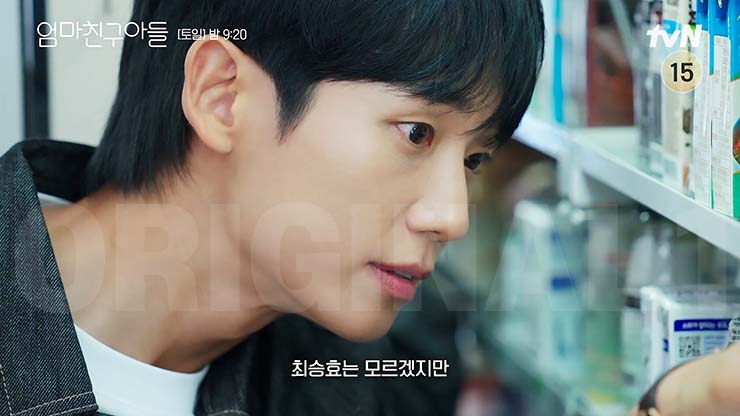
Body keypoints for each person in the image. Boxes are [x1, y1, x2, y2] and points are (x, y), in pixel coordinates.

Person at [0, 1, 545, 415]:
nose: (453, 218)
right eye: (416, 133)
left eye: (473, 161)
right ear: (221, 97)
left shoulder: (366, 384)